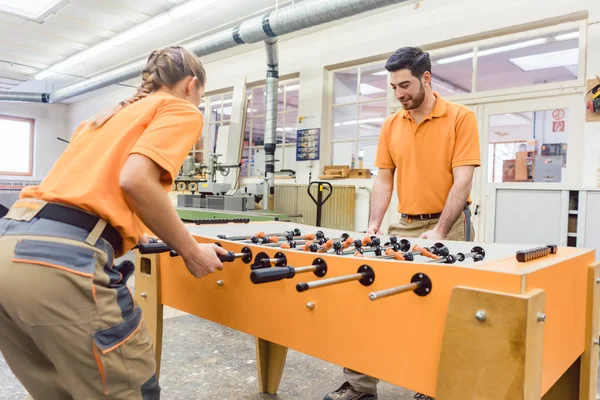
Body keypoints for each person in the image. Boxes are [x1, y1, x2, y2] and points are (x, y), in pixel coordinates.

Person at [0, 46, 229, 399]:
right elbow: (136, 181)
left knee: (60, 390)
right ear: (192, 85)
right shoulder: (182, 110)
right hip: (60, 263)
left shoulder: (102, 118)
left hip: (10, 247)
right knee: (129, 388)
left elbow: (99, 191)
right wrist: (191, 251)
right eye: (200, 95)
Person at [323, 47, 480, 400]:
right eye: (394, 87)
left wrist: (439, 230)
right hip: (403, 225)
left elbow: (463, 180)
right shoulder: (392, 124)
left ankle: (435, 388)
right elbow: (383, 179)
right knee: (369, 298)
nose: (399, 95)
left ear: (426, 78)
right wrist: (374, 225)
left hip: (450, 225)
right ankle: (361, 387)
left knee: (441, 310)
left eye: (405, 85)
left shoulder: (459, 117)